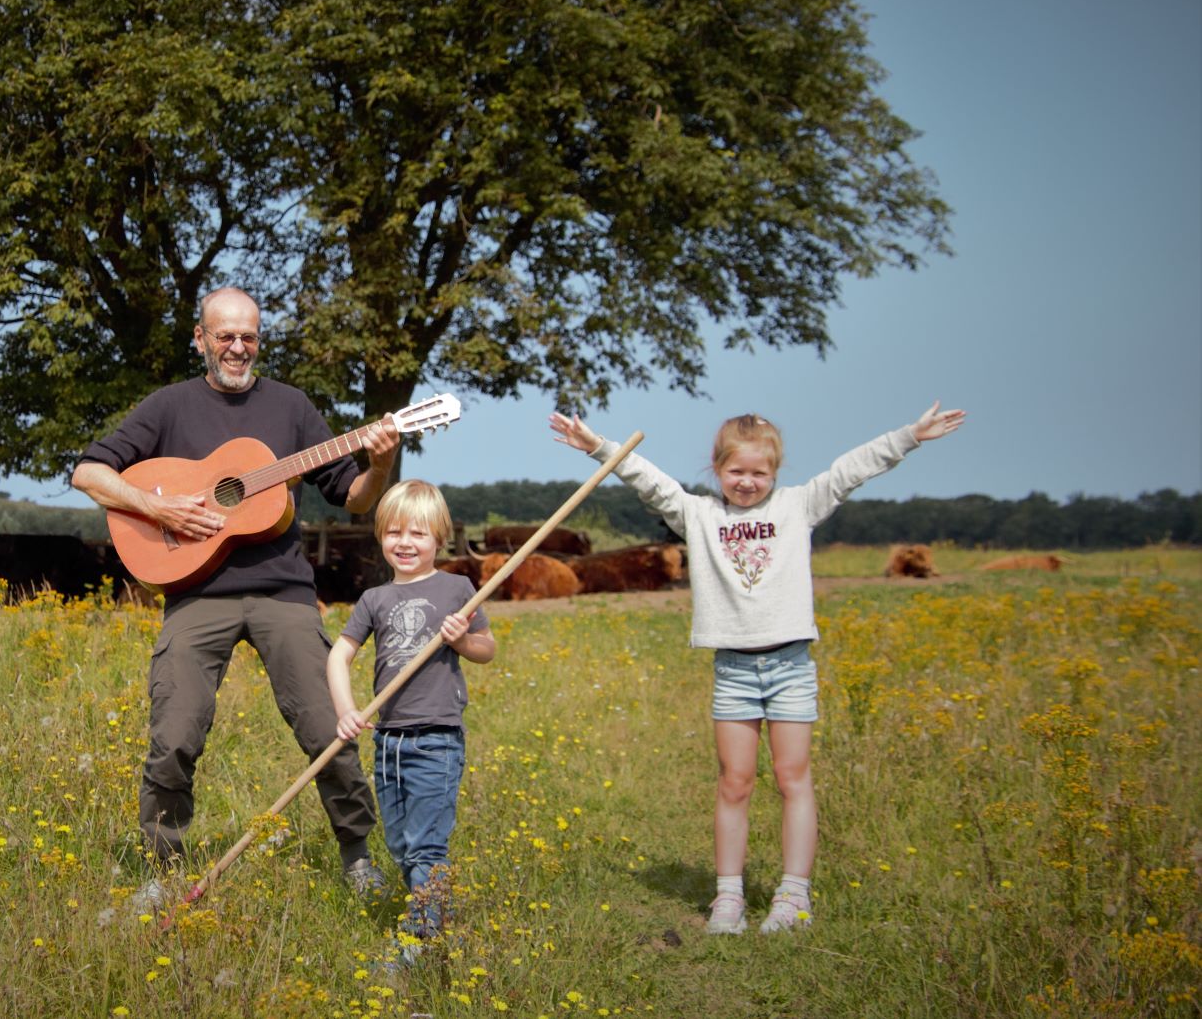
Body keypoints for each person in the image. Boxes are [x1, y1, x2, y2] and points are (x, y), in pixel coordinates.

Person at [549, 401, 965, 934]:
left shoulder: (798, 506)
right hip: (734, 671)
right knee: (735, 783)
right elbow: (648, 482)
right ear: (717, 469)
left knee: (793, 779)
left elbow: (851, 469)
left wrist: (910, 435)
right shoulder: (699, 515)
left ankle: (793, 897)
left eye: (759, 473)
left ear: (776, 472)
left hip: (791, 665)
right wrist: (598, 447)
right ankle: (729, 899)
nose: (747, 483)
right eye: (736, 472)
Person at [71, 287, 401, 895]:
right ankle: (164, 871)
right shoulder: (168, 407)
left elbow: (352, 495)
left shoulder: (293, 408)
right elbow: (88, 472)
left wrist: (379, 465)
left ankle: (357, 858)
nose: (237, 347)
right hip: (196, 594)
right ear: (200, 338)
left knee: (329, 726)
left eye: (247, 335)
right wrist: (158, 510)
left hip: (283, 594)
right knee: (174, 733)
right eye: (224, 335)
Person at [327, 479, 494, 952]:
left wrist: (462, 640)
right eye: (395, 532)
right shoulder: (374, 600)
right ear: (381, 536)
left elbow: (487, 650)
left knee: (425, 847)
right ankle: (436, 911)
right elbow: (339, 656)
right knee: (401, 846)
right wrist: (347, 710)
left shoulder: (457, 588)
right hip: (388, 742)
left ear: (439, 538)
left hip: (437, 739)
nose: (405, 542)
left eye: (418, 533)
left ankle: (418, 946)